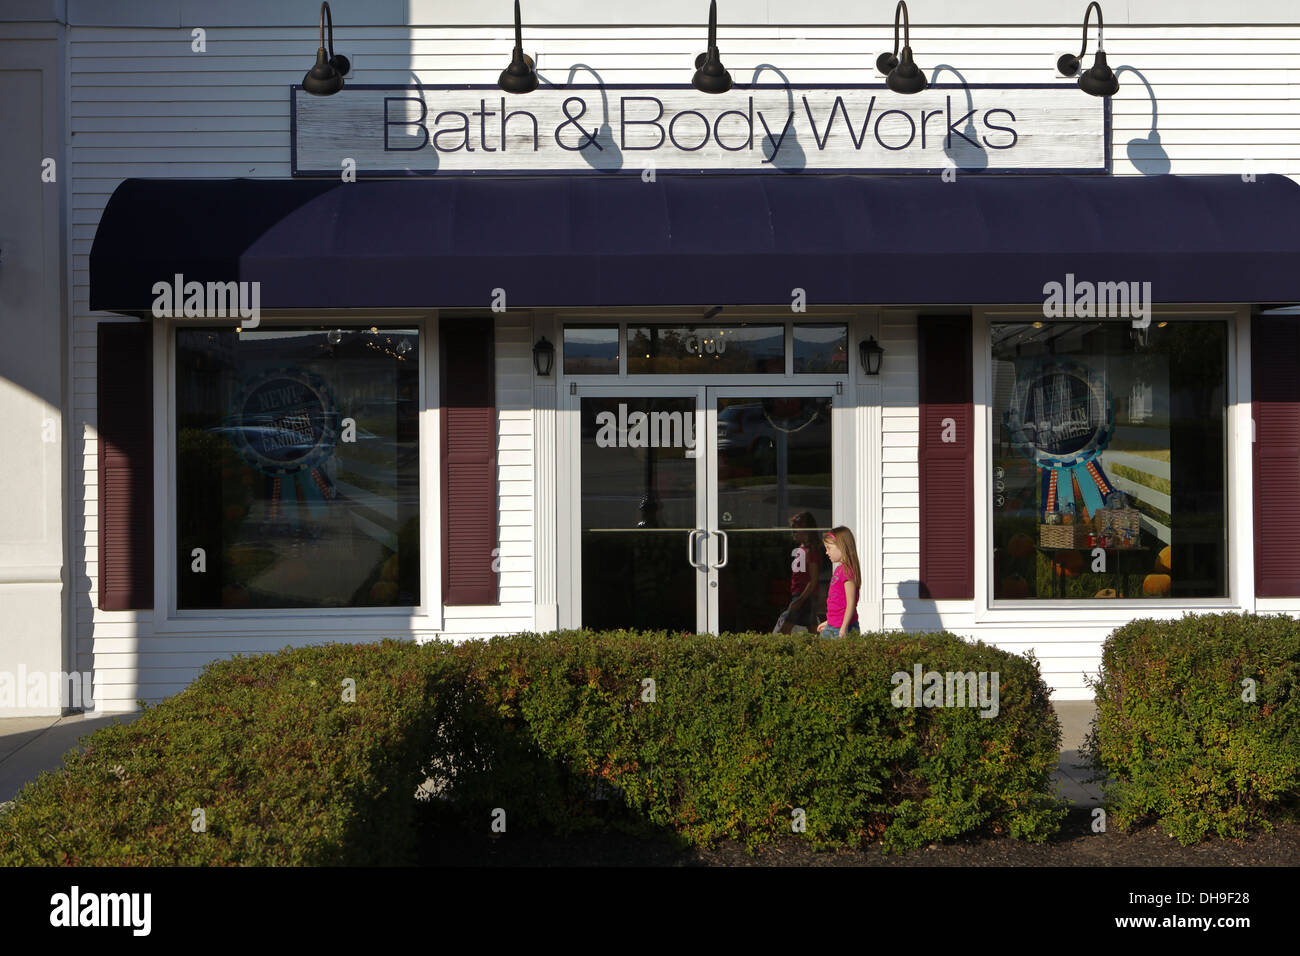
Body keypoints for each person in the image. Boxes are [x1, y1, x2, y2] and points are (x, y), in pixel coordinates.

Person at [774, 511, 821, 634]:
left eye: (795, 531)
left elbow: (813, 579)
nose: (793, 534)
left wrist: (800, 599)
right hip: (799, 594)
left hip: (804, 595)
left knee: (786, 628)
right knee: (811, 627)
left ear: (806, 531)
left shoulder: (811, 551)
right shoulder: (801, 549)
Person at [817, 526, 861, 639]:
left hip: (841, 629)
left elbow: (850, 602)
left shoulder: (847, 571)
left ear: (841, 547)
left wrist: (843, 628)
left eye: (829, 548)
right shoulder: (839, 570)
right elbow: (838, 603)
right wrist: (829, 622)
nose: (826, 552)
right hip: (833, 625)